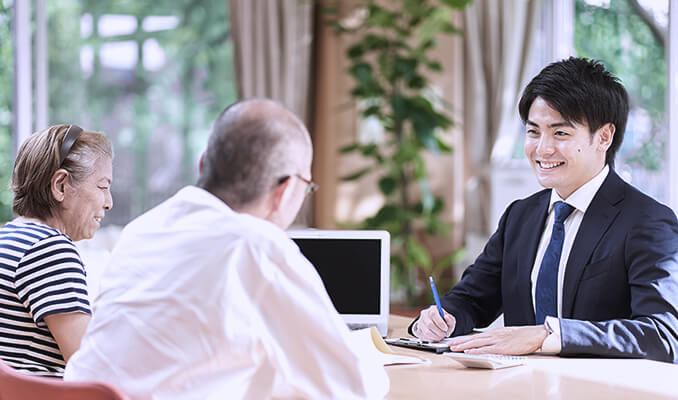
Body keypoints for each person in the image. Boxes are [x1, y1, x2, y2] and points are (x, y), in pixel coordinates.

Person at [65, 99, 390, 399]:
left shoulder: (143, 229)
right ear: (286, 189)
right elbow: (351, 387)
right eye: (306, 187)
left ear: (204, 162)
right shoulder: (257, 246)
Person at [411, 57, 678, 363]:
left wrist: (546, 334)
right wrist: (442, 318)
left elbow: (662, 334)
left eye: (560, 133)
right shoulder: (520, 216)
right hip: (522, 387)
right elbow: (473, 298)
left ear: (604, 137)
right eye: (534, 131)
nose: (542, 149)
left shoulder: (647, 221)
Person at [0, 124, 113, 377]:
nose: (109, 203)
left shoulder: (9, 238)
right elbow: (90, 365)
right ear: (61, 185)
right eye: (103, 187)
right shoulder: (50, 249)